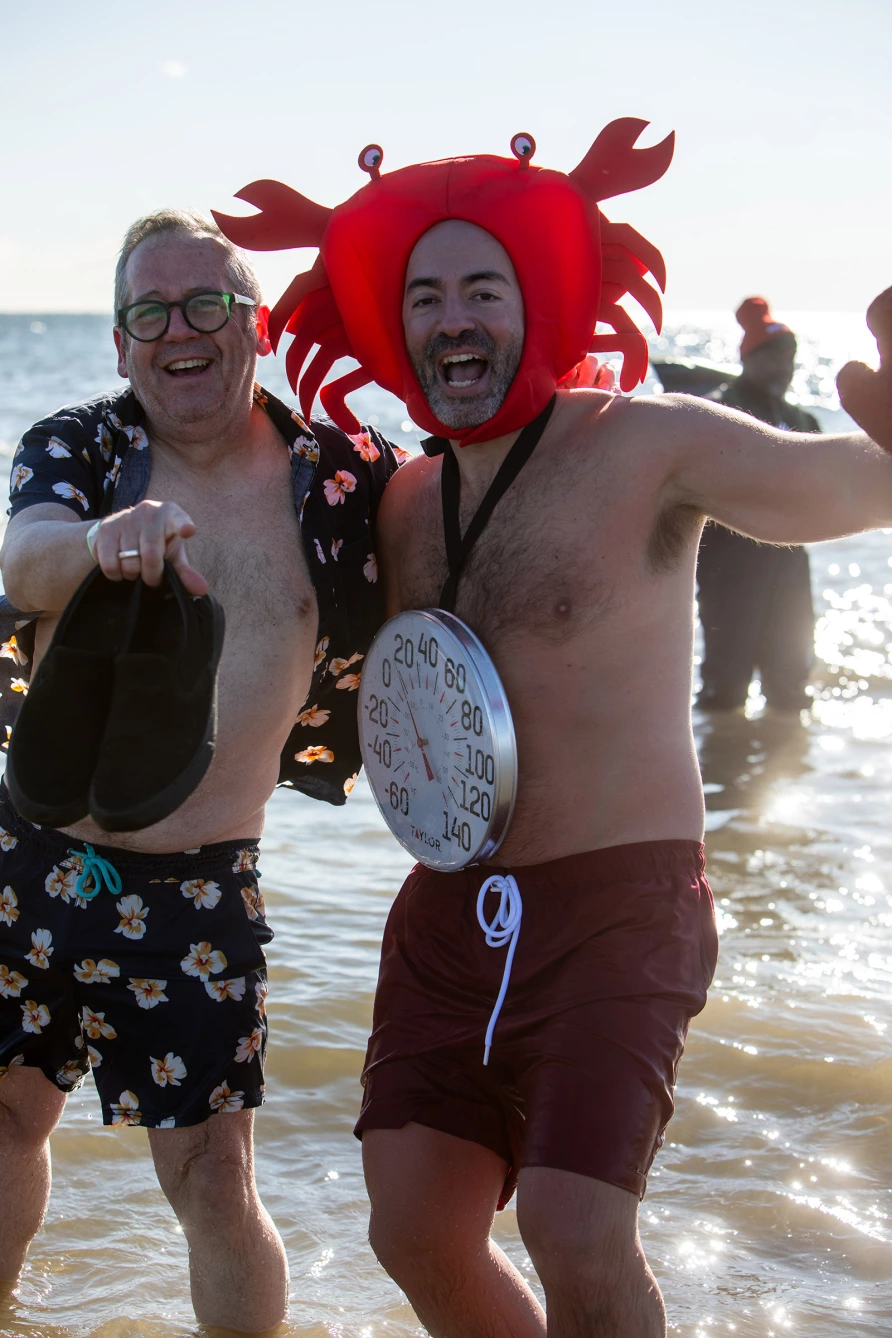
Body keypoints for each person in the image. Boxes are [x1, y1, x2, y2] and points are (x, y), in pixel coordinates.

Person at [216, 125, 892, 1337]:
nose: (454, 318)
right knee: (413, 1228)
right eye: (425, 296)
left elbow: (836, 488)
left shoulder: (645, 443)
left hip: (617, 901)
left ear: (539, 302)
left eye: (484, 288)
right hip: (449, 908)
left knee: (577, 1230)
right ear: (394, 327)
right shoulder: (402, 500)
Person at [0, 208, 398, 1333]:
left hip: (200, 888)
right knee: (5, 1125)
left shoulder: (340, 481)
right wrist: (99, 542)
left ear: (255, 325)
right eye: (151, 311)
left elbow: (457, 549)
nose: (180, 328)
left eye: (209, 303)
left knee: (214, 1180)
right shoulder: (82, 447)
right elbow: (25, 560)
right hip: (31, 857)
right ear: (120, 343)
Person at [695, 298, 820, 712]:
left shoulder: (803, 421)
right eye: (772, 357)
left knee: (791, 689)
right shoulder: (717, 412)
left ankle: (784, 752)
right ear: (747, 358)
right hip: (730, 569)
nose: (783, 367)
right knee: (724, 689)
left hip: (789, 567)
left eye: (788, 358)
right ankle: (721, 753)